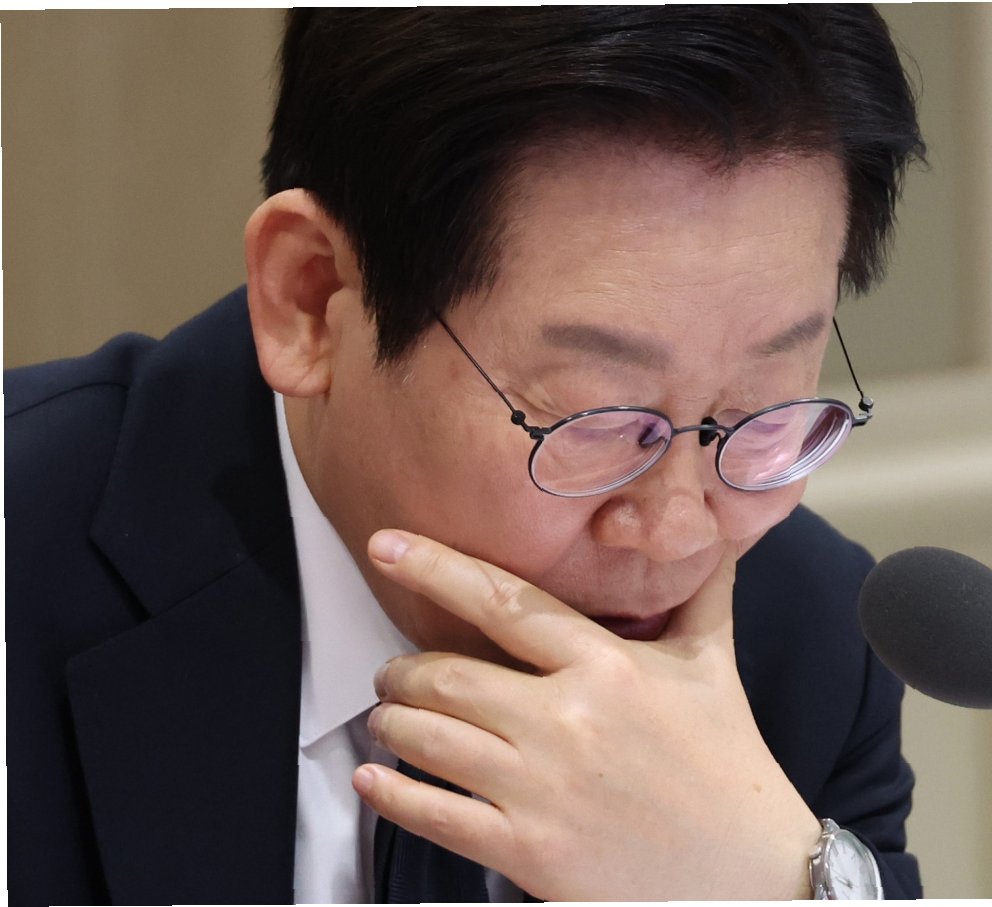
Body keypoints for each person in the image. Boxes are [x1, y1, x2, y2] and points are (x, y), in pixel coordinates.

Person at [7, 7, 926, 903]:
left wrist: (773, 888)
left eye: (761, 406)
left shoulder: (808, 641)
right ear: (312, 299)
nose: (678, 532)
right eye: (595, 417)